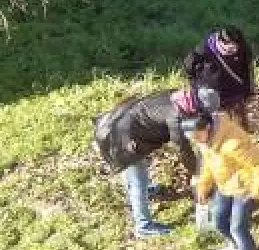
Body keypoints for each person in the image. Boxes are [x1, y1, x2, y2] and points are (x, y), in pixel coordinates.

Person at [93, 87, 218, 238]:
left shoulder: (178, 96)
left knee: (136, 173)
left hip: (120, 125)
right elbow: (183, 150)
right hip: (120, 139)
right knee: (138, 180)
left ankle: (142, 191)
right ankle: (143, 226)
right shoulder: (175, 117)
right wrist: (197, 173)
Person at [186, 110, 259, 250]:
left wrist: (256, 191)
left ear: (208, 128)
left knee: (238, 229)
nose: (195, 140)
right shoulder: (205, 142)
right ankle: (234, 247)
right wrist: (203, 185)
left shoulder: (232, 143)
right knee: (219, 221)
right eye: (191, 137)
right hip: (225, 185)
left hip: (244, 188)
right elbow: (209, 166)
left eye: (196, 136)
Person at [185, 26, 254, 130]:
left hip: (235, 92)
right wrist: (197, 86)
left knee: (241, 127)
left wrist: (248, 90)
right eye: (228, 44)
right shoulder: (204, 49)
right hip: (212, 93)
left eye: (235, 45)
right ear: (220, 41)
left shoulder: (243, 48)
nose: (232, 48)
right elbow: (189, 66)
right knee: (216, 127)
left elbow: (247, 69)